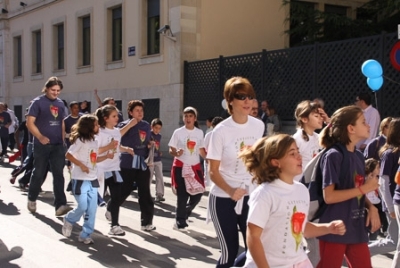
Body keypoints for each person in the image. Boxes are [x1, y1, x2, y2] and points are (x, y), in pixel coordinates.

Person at [238, 134, 346, 268]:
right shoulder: (265, 194)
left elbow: (301, 228)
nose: (299, 157)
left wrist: (328, 228)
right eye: (292, 153)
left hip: (298, 262)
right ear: (276, 162)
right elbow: (253, 236)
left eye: (298, 151)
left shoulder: (301, 190)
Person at [207, 77, 264, 267]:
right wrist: (231, 191)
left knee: (254, 251)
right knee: (228, 253)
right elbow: (212, 171)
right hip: (224, 197)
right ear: (230, 100)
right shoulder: (220, 131)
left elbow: (256, 161)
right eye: (241, 97)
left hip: (250, 196)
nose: (248, 101)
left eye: (250, 96)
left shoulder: (258, 126)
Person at [317, 105, 380, 267]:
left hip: (356, 227)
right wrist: (364, 189)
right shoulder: (333, 156)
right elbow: (329, 196)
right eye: (363, 122)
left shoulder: (359, 156)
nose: (369, 125)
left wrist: (370, 206)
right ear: (351, 128)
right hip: (334, 228)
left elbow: (356, 192)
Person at [62, 114, 113, 244]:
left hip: (92, 179)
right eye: (96, 124)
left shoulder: (94, 141)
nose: (98, 127)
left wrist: (106, 156)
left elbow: (94, 159)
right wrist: (81, 165)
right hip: (80, 179)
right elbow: (68, 155)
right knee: (83, 206)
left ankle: (85, 234)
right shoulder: (80, 140)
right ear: (89, 127)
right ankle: (69, 219)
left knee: (92, 209)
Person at [26, 76, 72, 216]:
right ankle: (32, 198)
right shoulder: (37, 102)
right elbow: (29, 122)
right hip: (41, 145)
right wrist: (40, 137)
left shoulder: (60, 103)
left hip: (58, 144)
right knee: (39, 172)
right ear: (46, 88)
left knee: (59, 174)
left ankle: (60, 205)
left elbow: (62, 122)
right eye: (53, 90)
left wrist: (64, 139)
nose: (56, 93)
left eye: (58, 90)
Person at [117, 100, 155, 231]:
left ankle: (146, 222)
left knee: (145, 192)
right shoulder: (123, 124)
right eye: (137, 111)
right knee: (125, 190)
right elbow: (117, 136)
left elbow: (146, 139)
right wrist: (129, 125)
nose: (140, 113)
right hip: (128, 162)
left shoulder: (146, 125)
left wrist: (149, 144)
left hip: (142, 162)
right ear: (130, 112)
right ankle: (112, 208)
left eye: (141, 110)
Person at [95, 105, 134, 236]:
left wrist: (126, 149)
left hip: (114, 168)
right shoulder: (99, 132)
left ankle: (115, 225)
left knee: (116, 197)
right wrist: (108, 147)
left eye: (117, 115)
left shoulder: (116, 132)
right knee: (95, 198)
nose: (117, 118)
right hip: (100, 169)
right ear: (105, 118)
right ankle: (87, 219)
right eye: (114, 116)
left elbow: (117, 146)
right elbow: (95, 150)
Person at [169, 107, 206, 230]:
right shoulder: (178, 132)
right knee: (182, 195)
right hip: (180, 166)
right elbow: (171, 149)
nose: (188, 118)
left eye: (190, 116)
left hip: (195, 167)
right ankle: (180, 221)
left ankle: (185, 212)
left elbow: (201, 150)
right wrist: (176, 153)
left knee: (199, 192)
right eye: (186, 116)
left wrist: (210, 159)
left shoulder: (199, 133)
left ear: (195, 119)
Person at [369, 118, 400, 266]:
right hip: (393, 203)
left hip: (394, 202)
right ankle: (361, 251)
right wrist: (389, 207)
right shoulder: (390, 153)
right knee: (394, 242)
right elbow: (383, 182)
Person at [293, 100, 323, 182]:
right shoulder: (296, 139)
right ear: (304, 119)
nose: (321, 118)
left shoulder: (318, 137)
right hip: (301, 181)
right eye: (316, 116)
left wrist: (328, 121)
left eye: (321, 115)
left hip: (314, 180)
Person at [364, 158, 385, 241]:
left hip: (376, 203)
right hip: (368, 203)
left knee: (376, 226)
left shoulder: (378, 178)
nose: (379, 169)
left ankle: (372, 243)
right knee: (368, 225)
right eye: (377, 167)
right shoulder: (365, 178)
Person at [204, 116, 224, 188]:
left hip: (221, 161)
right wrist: (206, 157)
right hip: (210, 160)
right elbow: (203, 147)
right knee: (209, 179)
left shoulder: (224, 136)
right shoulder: (209, 135)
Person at [149, 118, 165, 202]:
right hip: (150, 159)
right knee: (149, 177)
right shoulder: (148, 134)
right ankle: (147, 194)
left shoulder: (159, 136)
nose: (157, 130)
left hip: (158, 159)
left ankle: (159, 194)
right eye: (156, 128)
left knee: (160, 177)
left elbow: (157, 146)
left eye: (159, 128)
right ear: (152, 127)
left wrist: (159, 151)